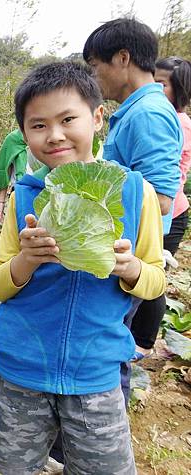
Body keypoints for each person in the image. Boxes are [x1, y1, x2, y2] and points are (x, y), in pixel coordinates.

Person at [0, 62, 165, 474]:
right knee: (14, 467)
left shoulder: (136, 192)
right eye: (38, 125)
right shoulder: (24, 198)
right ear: (24, 133)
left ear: (97, 118)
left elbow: (155, 282)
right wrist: (25, 261)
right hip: (22, 370)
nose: (55, 135)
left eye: (68, 119)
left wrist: (130, 267)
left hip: (95, 373)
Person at [83, 18, 182, 396]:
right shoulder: (135, 111)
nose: (94, 77)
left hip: (126, 253)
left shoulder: (148, 115)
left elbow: (158, 197)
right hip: (118, 250)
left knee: (111, 344)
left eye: (96, 65)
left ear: (122, 58)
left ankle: (103, 425)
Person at [131, 57, 191, 353]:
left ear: (180, 89)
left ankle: (143, 342)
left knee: (151, 277)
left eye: (162, 83)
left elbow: (161, 197)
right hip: (165, 213)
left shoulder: (162, 117)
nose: (154, 87)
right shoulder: (166, 114)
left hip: (166, 216)